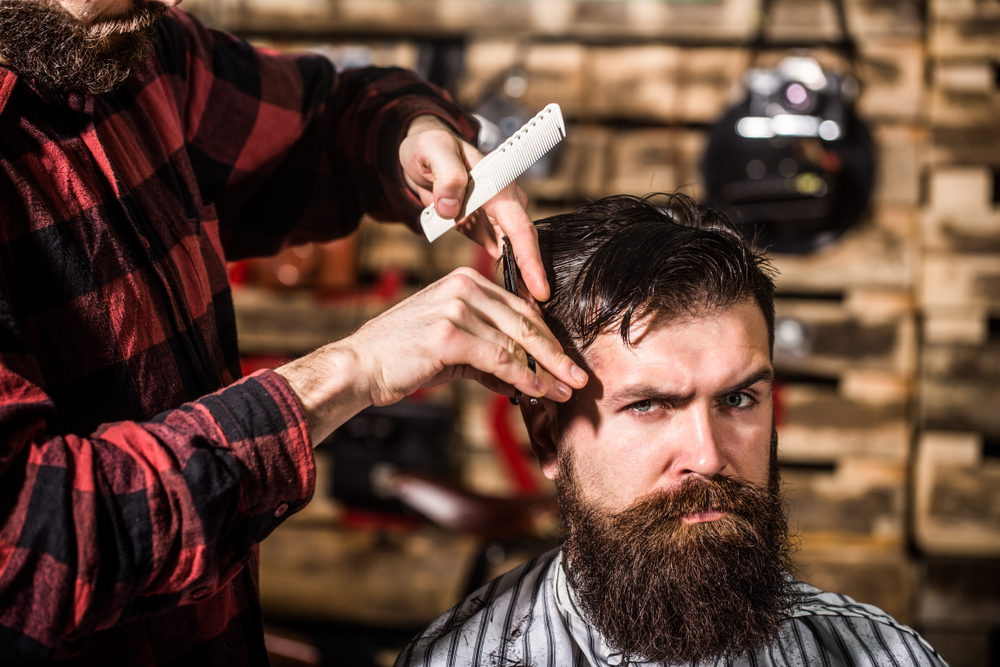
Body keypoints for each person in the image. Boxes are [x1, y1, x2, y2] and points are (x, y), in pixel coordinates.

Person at [0, 0, 589, 664]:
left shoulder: (132, 50)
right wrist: (351, 371)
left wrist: (410, 134)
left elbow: (330, 116)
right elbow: (30, 547)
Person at [395, 193, 948, 667]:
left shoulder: (887, 656)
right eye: (649, 405)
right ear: (547, 436)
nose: (708, 457)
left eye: (737, 399)